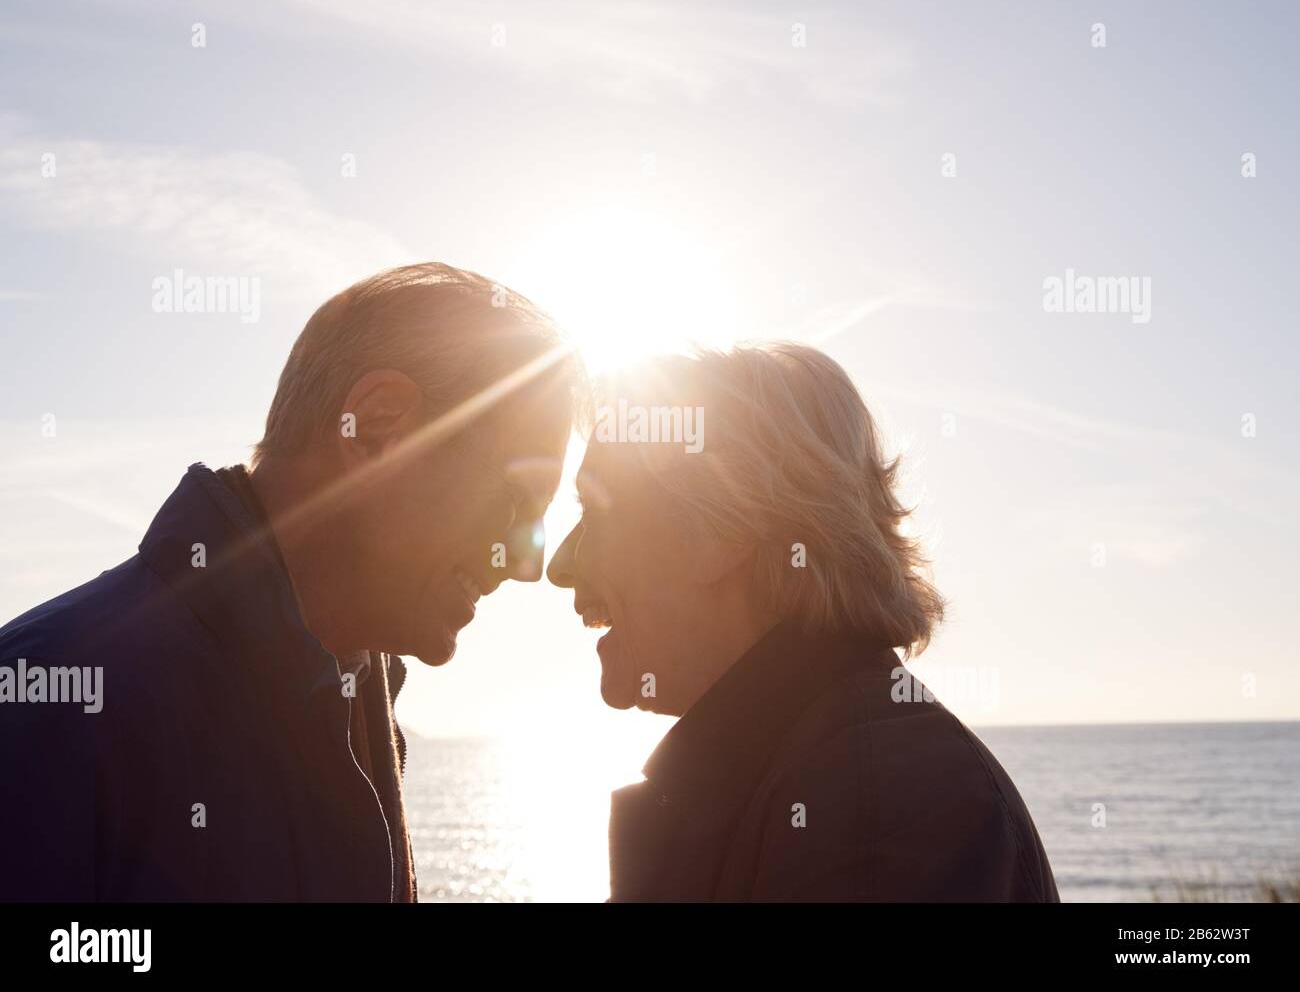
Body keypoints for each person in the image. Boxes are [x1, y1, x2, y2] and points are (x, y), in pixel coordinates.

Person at [0, 263, 580, 902]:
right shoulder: (46, 706)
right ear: (379, 429)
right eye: (516, 502)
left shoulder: (354, 710)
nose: (530, 565)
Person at [546, 342, 1060, 902]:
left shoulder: (876, 806)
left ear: (721, 534)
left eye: (596, 512)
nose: (559, 566)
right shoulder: (815, 772)